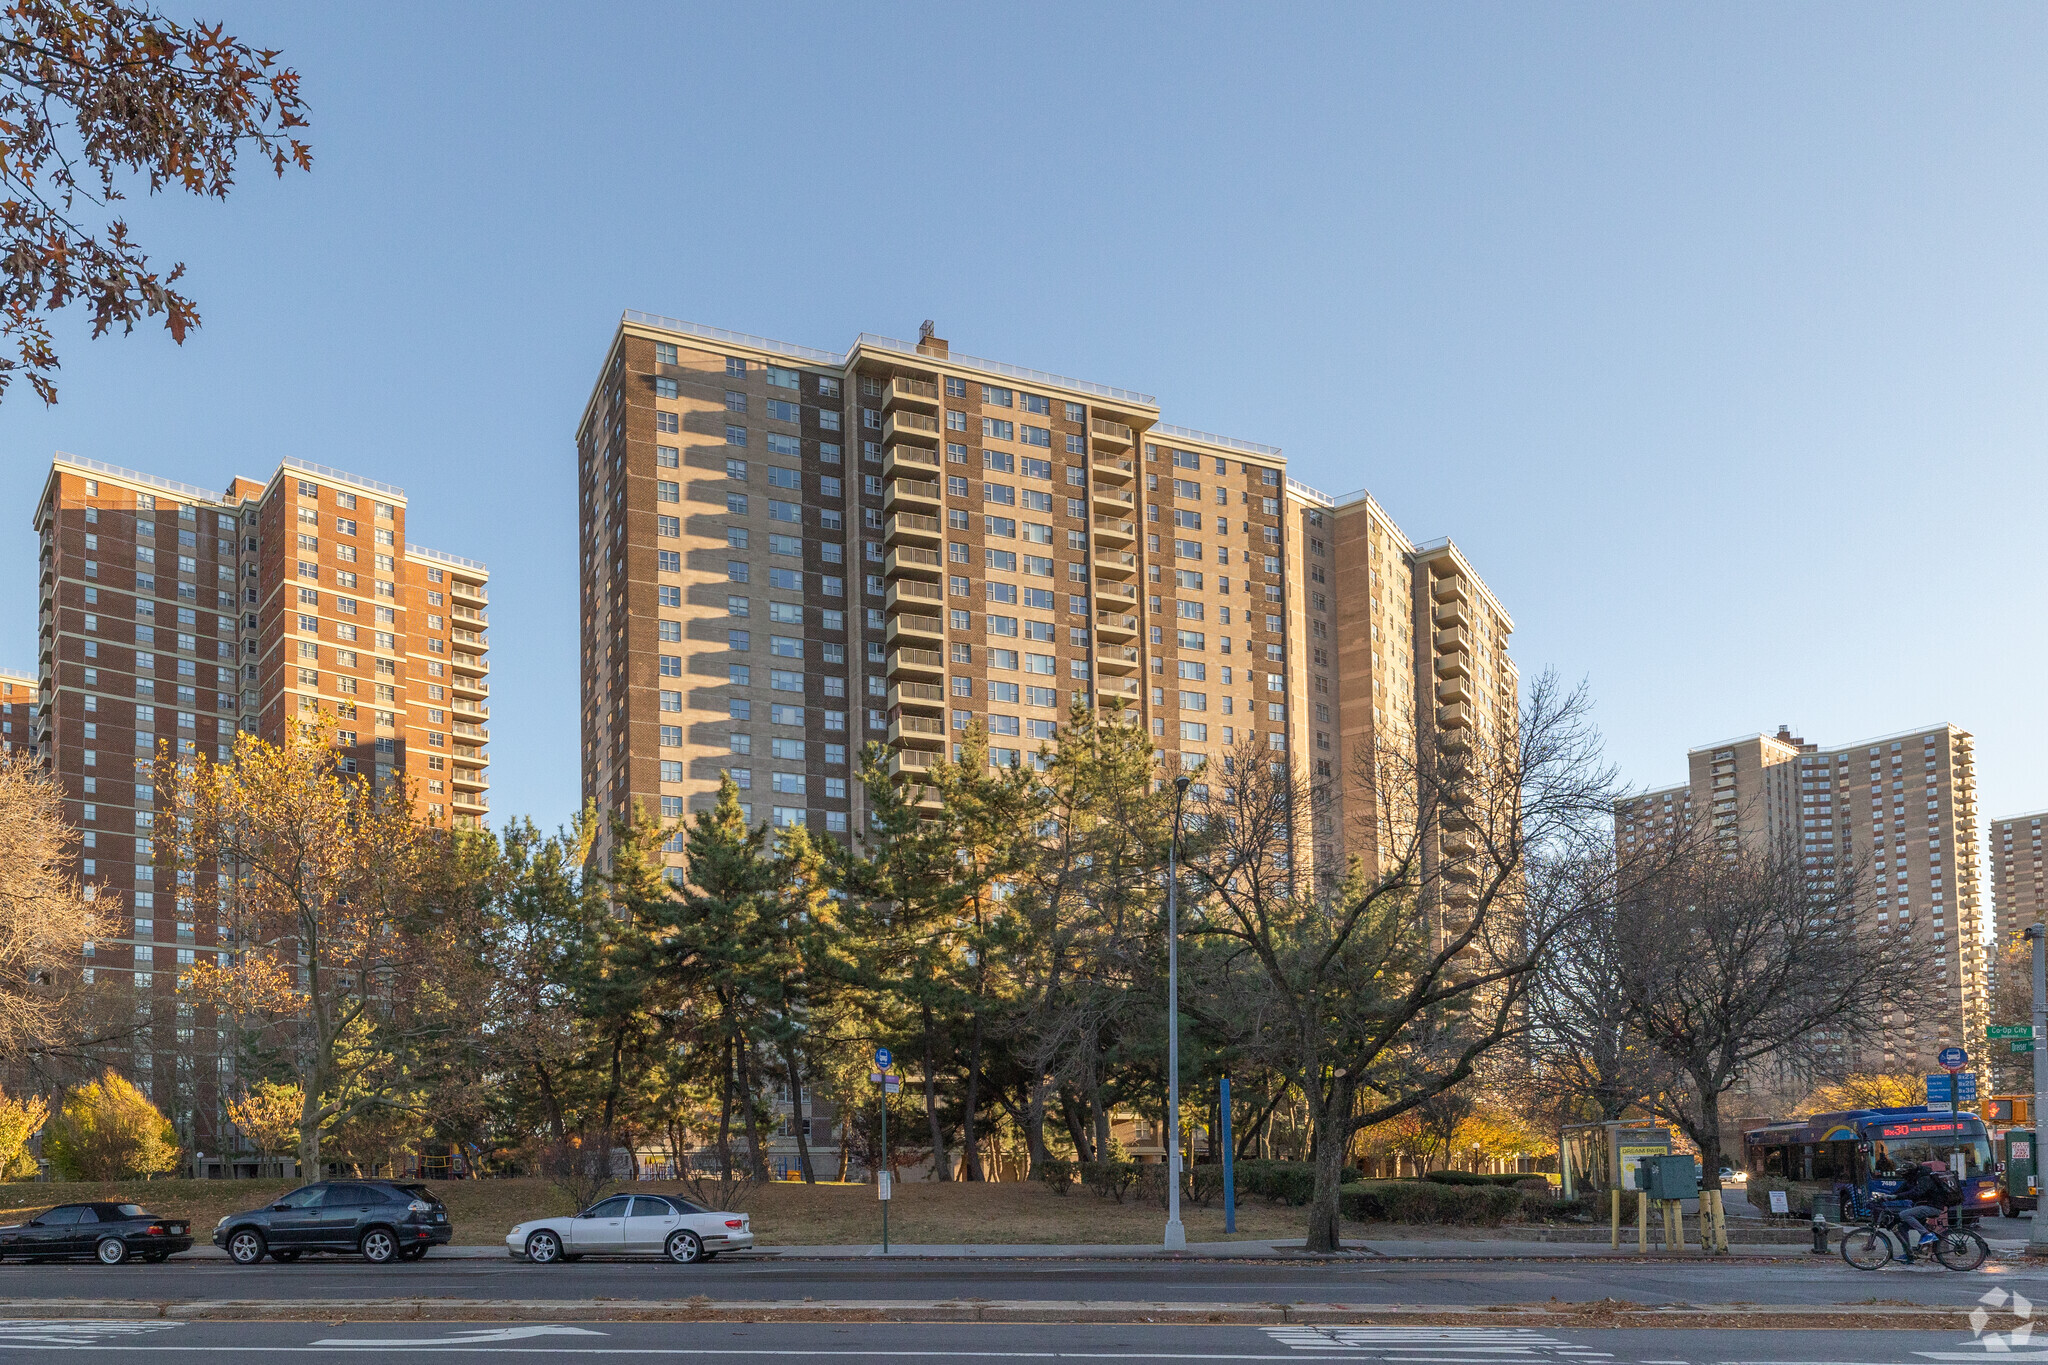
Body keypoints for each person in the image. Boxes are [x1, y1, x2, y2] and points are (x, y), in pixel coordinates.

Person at [1890, 1159, 1950, 1255]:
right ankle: (1908, 1254)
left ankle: (1927, 1234)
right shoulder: (1911, 1180)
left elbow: (1917, 1192)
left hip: (1933, 1206)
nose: (1902, 1176)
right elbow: (1899, 1192)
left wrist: (1896, 1196)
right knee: (1902, 1228)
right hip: (1924, 1206)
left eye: (1903, 1173)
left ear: (1910, 1172)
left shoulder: (1925, 1178)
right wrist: (1884, 1197)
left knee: (1904, 1214)